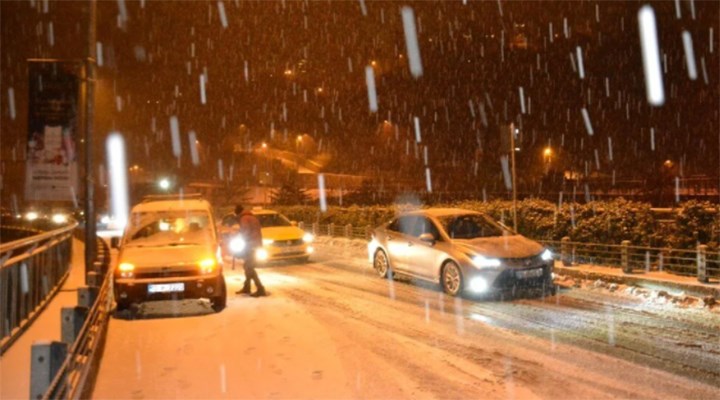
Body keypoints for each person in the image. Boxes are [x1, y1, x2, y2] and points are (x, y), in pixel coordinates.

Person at [234, 205, 267, 297]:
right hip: (256, 244)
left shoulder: (244, 219)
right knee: (247, 266)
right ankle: (247, 287)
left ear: (237, 212)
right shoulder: (252, 217)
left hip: (250, 245)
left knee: (249, 267)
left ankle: (260, 288)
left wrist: (239, 238)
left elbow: (246, 232)